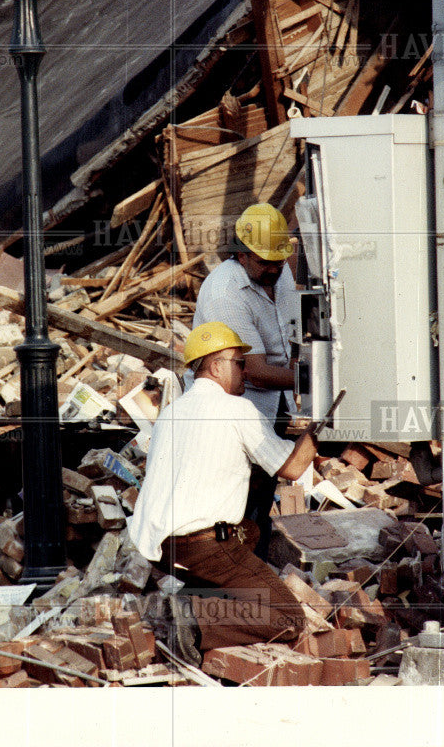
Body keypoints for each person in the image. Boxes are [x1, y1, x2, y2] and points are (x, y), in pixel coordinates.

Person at [128, 321, 320, 667]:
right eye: (239, 363)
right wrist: (321, 427)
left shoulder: (172, 412)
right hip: (202, 547)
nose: (246, 372)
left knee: (250, 532)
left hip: (162, 548)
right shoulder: (237, 411)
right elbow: (292, 468)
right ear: (216, 366)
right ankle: (194, 618)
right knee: (287, 617)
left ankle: (192, 599)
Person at [191, 202, 298, 558]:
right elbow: (253, 371)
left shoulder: (278, 272)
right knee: (238, 500)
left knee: (261, 495)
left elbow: (291, 337)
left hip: (273, 404)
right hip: (236, 409)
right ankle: (235, 573)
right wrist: (313, 381)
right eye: (265, 262)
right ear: (241, 254)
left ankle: (256, 568)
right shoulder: (226, 293)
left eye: (279, 260)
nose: (274, 269)